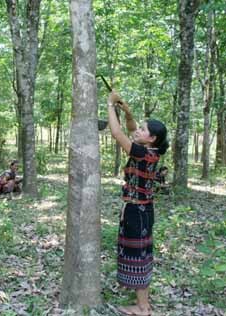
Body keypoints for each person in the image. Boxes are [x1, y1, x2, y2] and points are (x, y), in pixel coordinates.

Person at [107, 90, 169, 316]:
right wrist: (128, 112)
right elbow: (131, 128)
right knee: (140, 254)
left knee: (139, 256)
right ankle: (142, 304)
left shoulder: (143, 153)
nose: (138, 130)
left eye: (144, 130)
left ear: (151, 138)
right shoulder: (151, 150)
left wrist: (109, 104)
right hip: (142, 209)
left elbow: (117, 132)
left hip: (137, 211)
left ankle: (143, 308)